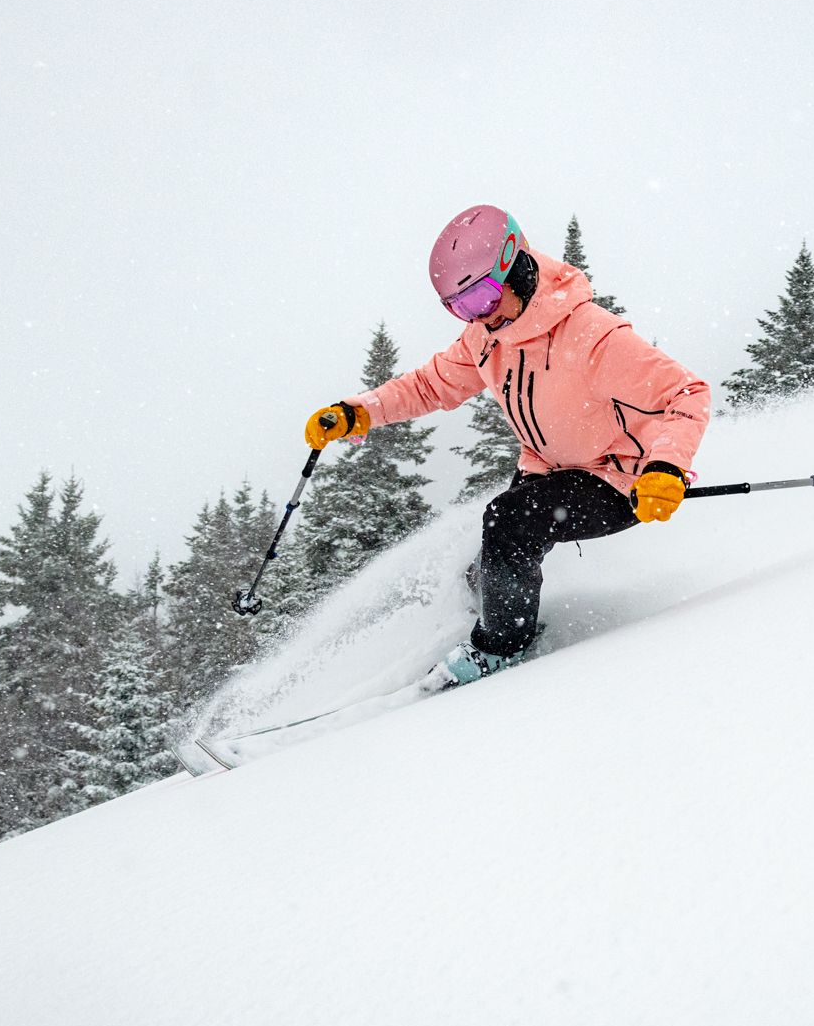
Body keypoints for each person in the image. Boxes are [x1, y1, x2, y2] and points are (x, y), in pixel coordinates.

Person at [304, 205, 710, 686]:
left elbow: (686, 394)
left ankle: (501, 647)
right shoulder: (486, 337)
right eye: (459, 307)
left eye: (479, 299)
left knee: (509, 521)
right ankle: (491, 600)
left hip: (619, 477)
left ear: (513, 268)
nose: (475, 316)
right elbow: (430, 385)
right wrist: (361, 410)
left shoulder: (592, 335)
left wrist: (665, 466)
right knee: (494, 552)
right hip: (549, 468)